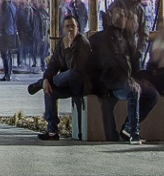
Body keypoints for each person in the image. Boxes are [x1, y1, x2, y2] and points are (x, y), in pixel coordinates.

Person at [89, 8, 145, 144]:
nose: (123, 17)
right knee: (133, 91)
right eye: (119, 15)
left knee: (151, 94)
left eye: (124, 15)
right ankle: (134, 132)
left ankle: (126, 128)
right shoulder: (108, 37)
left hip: (119, 80)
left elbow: (133, 61)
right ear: (111, 18)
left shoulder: (124, 36)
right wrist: (128, 80)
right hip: (111, 81)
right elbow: (113, 63)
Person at [31, 15, 90, 140]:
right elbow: (53, 64)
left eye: (72, 26)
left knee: (72, 73)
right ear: (63, 29)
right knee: (49, 90)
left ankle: (40, 83)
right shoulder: (61, 43)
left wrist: (69, 48)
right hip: (65, 84)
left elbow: (76, 68)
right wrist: (47, 78)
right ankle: (52, 130)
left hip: (80, 83)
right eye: (67, 26)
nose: (70, 30)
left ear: (77, 27)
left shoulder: (82, 43)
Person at [0, 0, 19, 81]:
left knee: (4, 53)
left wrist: (0, 30)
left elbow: (3, 19)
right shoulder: (12, 6)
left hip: (5, 32)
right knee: (8, 53)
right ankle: (8, 73)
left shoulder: (5, 6)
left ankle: (7, 74)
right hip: (11, 32)